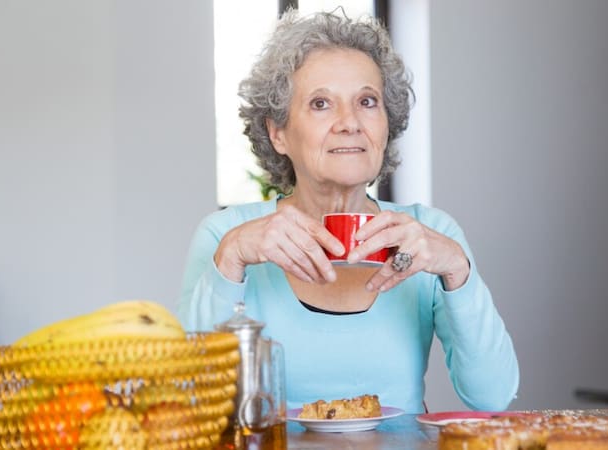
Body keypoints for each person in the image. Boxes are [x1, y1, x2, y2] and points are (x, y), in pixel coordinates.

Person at [179, 9, 519, 414]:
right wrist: (230, 259)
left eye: (367, 102)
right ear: (278, 133)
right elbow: (188, 398)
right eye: (321, 103)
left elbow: (492, 397)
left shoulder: (431, 234)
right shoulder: (226, 236)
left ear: (386, 124)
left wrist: (458, 272)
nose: (350, 122)